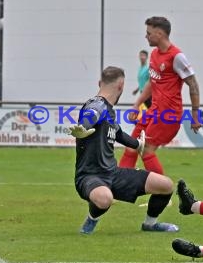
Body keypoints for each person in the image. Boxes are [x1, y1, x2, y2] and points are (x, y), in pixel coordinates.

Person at [70, 66, 179, 234]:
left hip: (113, 174)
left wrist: (138, 145)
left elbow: (118, 133)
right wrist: (83, 126)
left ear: (100, 83)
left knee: (166, 185)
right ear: (121, 86)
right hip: (89, 177)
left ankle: (150, 224)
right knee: (105, 198)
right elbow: (92, 114)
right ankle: (91, 221)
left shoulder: (109, 112)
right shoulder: (98, 104)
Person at [119, 16, 201, 174]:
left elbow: (193, 84)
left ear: (159, 34)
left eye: (149, 33)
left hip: (168, 114)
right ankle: (118, 185)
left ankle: (163, 196)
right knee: (131, 145)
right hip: (154, 110)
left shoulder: (176, 56)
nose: (146, 36)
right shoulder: (155, 54)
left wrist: (195, 114)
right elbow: (152, 82)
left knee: (147, 150)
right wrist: (137, 105)